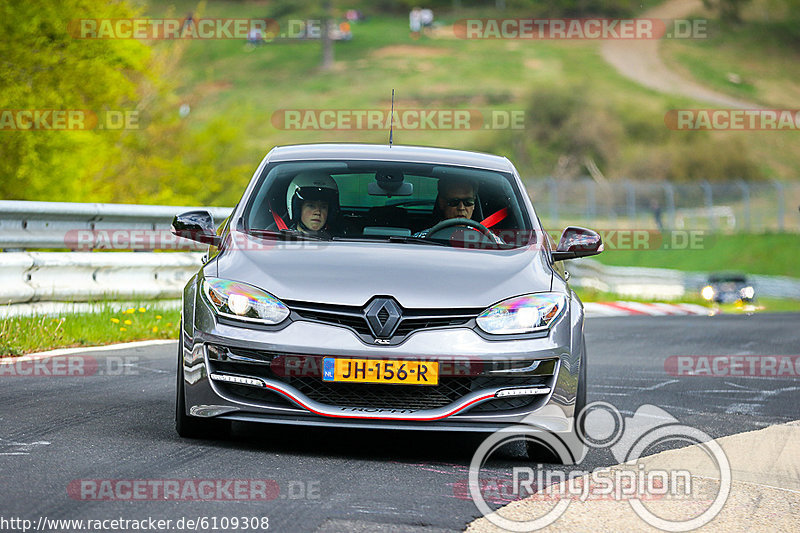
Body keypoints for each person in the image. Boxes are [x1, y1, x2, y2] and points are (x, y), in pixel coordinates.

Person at [414, 177, 504, 243]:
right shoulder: (422, 239)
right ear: (442, 203)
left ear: (474, 205)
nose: (461, 208)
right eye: (454, 202)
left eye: (468, 202)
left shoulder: (491, 240)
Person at [284, 172, 339, 238]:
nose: (318, 212)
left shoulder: (337, 239)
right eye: (311, 206)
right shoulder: (282, 239)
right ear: (297, 209)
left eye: (323, 207)